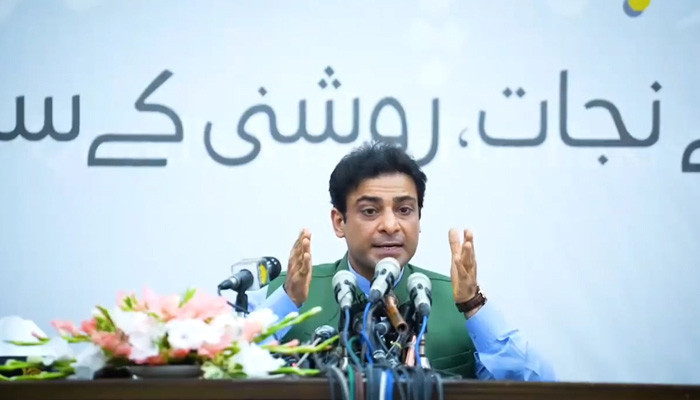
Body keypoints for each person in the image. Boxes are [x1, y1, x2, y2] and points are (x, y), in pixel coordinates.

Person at [258, 141, 555, 381]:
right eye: (370, 211)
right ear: (339, 222)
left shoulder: (459, 302)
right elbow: (232, 373)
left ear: (419, 219)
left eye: (404, 210)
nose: (391, 226)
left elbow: (538, 386)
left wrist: (473, 307)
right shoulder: (290, 294)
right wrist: (287, 302)